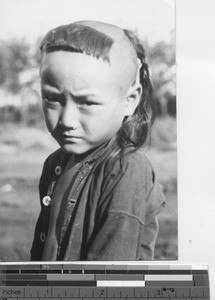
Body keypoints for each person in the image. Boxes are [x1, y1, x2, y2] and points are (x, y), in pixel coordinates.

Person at [30, 20, 165, 261]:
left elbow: (109, 278)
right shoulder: (54, 164)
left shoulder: (126, 170)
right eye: (52, 98)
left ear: (130, 99)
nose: (66, 119)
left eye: (87, 102)